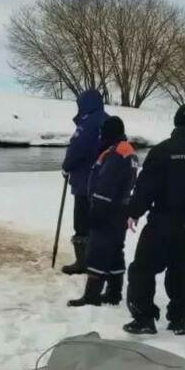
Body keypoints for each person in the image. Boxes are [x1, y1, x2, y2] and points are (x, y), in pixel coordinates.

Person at [122, 104, 185, 335]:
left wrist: (134, 212)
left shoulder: (162, 151)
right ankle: (179, 319)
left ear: (176, 123)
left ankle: (144, 318)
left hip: (162, 220)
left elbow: (146, 186)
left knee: (143, 269)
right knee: (180, 270)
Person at [68, 116, 138, 307]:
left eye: (103, 132)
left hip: (107, 210)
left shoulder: (116, 154)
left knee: (97, 250)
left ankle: (92, 295)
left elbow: (106, 184)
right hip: (120, 210)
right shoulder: (128, 151)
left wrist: (97, 211)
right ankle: (114, 292)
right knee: (115, 250)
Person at [60, 89, 109, 275]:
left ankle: (83, 262)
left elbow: (76, 150)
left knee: (82, 223)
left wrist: (66, 167)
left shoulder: (87, 124)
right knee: (99, 223)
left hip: (84, 181)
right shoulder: (108, 120)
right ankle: (99, 260)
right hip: (105, 182)